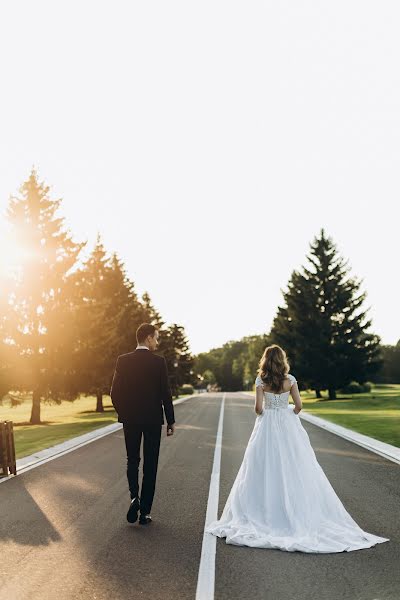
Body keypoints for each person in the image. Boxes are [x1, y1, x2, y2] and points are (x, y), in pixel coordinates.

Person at [205, 344, 390, 553]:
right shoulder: (290, 380)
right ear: (282, 360)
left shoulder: (261, 381)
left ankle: (265, 510)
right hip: (287, 422)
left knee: (263, 466)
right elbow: (299, 406)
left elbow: (258, 409)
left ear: (265, 360)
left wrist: (268, 408)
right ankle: (294, 509)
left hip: (267, 425)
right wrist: (287, 411)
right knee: (294, 464)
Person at [110, 323, 175, 525]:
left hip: (130, 420)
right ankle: (145, 511)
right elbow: (166, 393)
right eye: (156, 338)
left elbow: (114, 393)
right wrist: (170, 420)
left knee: (132, 460)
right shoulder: (158, 362)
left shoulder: (123, 361)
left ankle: (133, 497)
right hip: (153, 420)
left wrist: (124, 413)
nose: (157, 341)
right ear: (148, 338)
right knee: (150, 464)